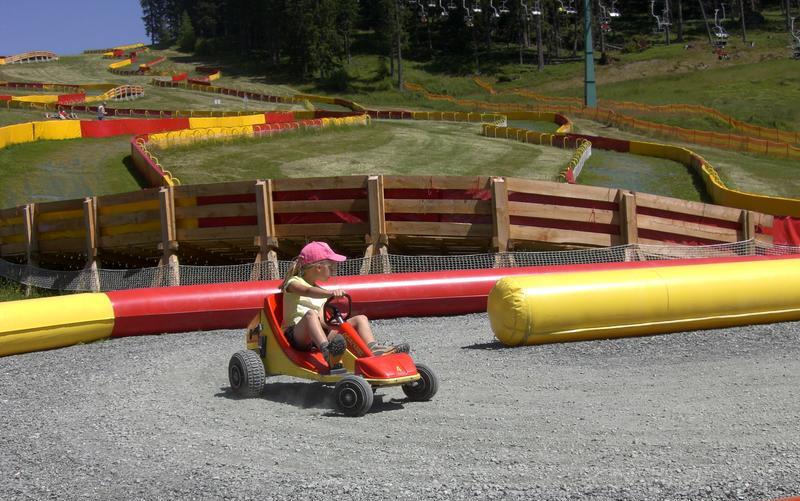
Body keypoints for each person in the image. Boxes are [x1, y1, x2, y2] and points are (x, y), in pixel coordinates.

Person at [281, 241, 408, 369]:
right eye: (331, 267)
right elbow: (307, 291)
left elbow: (322, 321)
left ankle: (372, 349)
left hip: (319, 335)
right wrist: (329, 293)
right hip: (297, 335)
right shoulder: (293, 282)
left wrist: (338, 322)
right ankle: (328, 352)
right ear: (318, 267)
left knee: (360, 319)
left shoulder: (319, 290)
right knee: (310, 314)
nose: (333, 271)